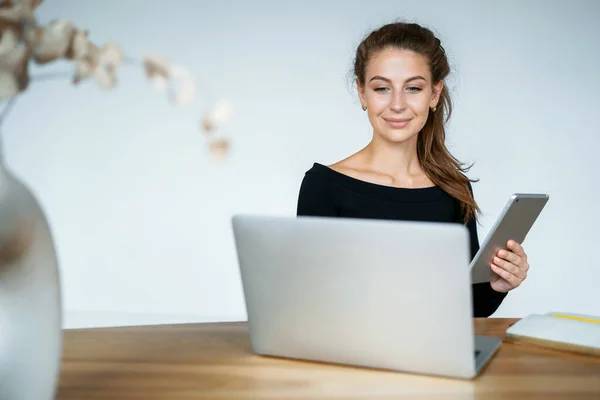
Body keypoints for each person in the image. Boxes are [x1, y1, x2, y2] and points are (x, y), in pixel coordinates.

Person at [296, 21, 530, 317]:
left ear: (434, 94)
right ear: (362, 93)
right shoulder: (323, 186)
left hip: (437, 357)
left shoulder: (453, 189)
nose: (397, 104)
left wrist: (498, 283)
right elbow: (310, 304)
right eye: (382, 88)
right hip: (354, 357)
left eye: (413, 88)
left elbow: (469, 310)